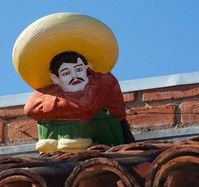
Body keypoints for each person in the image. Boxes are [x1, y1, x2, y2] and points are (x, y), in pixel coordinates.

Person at [12, 13, 134, 152]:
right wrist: (64, 105)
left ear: (87, 67)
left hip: (109, 132)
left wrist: (58, 105)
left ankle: (74, 140)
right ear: (55, 78)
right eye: (66, 73)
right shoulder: (51, 89)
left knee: (92, 114)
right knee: (46, 121)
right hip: (64, 136)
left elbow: (86, 107)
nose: (75, 76)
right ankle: (52, 142)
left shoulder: (103, 81)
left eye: (79, 69)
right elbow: (30, 108)